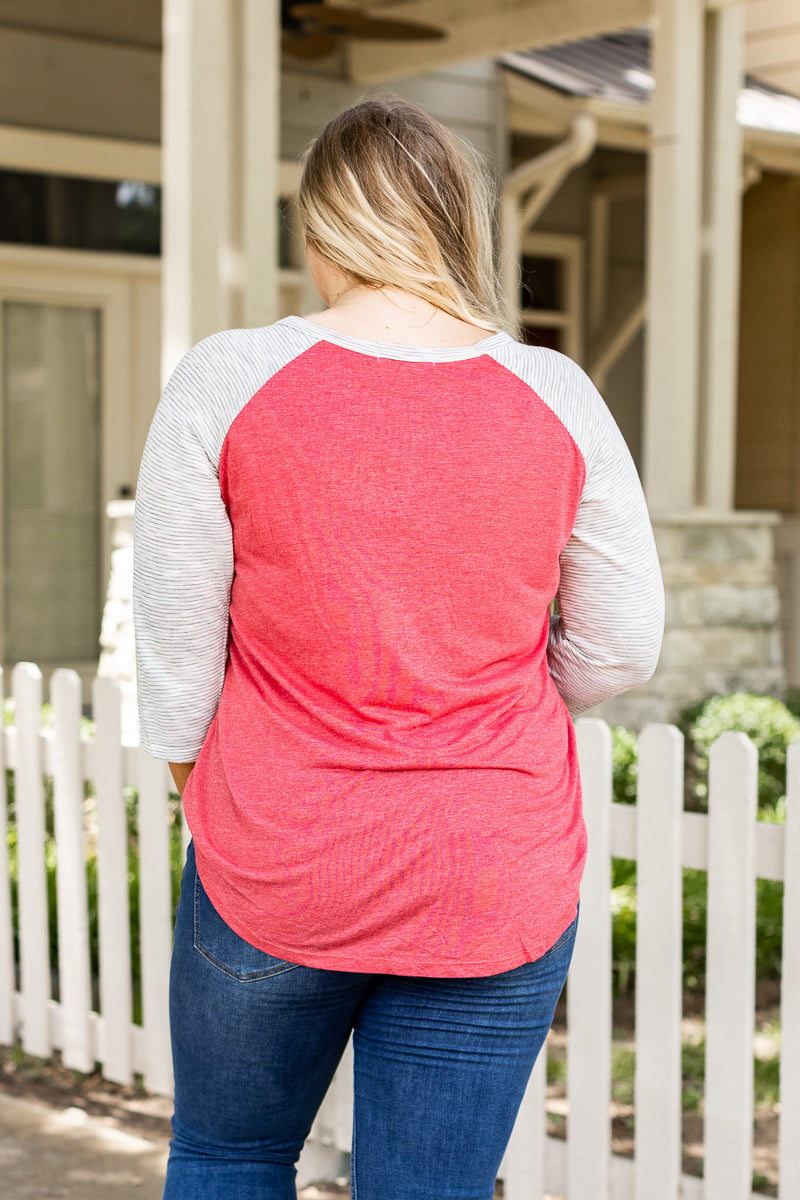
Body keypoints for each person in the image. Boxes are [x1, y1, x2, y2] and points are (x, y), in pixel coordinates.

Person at [133, 95, 664, 1200]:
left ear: (320, 230)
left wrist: (212, 794)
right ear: (457, 225)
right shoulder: (555, 395)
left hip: (279, 852)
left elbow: (179, 652)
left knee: (231, 1154)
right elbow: (619, 647)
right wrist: (506, 685)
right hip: (486, 866)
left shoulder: (225, 380)